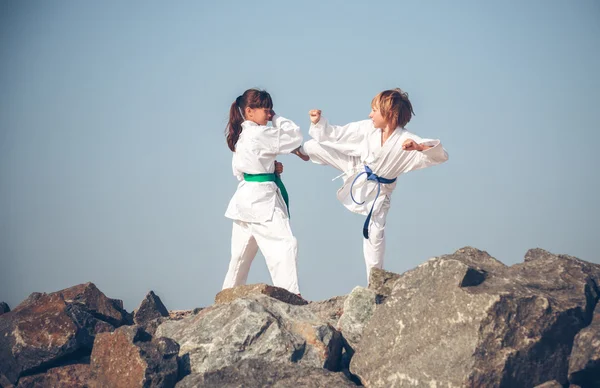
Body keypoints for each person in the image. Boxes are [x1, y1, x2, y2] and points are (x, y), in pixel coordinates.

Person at [297, 88, 449, 280]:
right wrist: (319, 123)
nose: (370, 114)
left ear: (390, 114)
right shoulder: (368, 128)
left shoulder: (405, 139)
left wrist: (418, 147)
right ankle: (300, 151)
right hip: (357, 169)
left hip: (380, 191)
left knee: (374, 234)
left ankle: (374, 281)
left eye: (375, 110)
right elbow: (339, 135)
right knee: (313, 146)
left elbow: (441, 155)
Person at [222, 88, 304, 295]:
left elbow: (240, 172)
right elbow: (295, 136)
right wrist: (277, 118)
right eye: (266, 110)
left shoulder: (243, 135)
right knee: (285, 245)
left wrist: (270, 169)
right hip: (261, 202)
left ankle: (225, 299)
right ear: (249, 111)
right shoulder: (260, 133)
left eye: (270, 111)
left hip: (244, 199)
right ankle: (290, 295)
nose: (268, 114)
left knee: (240, 257)